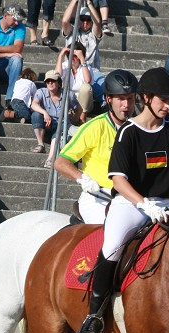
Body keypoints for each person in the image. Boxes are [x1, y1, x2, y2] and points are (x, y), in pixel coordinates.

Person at [75, 68, 169, 333]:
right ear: (147, 98)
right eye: (163, 100)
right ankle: (95, 315)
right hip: (130, 203)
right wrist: (144, 204)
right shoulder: (129, 132)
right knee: (112, 247)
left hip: (168, 204)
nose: (168, 106)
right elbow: (118, 179)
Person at [54, 69, 137, 225]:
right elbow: (60, 163)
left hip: (130, 199)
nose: (126, 105)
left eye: (130, 98)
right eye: (121, 99)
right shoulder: (94, 127)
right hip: (98, 199)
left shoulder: (139, 128)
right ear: (109, 99)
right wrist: (82, 178)